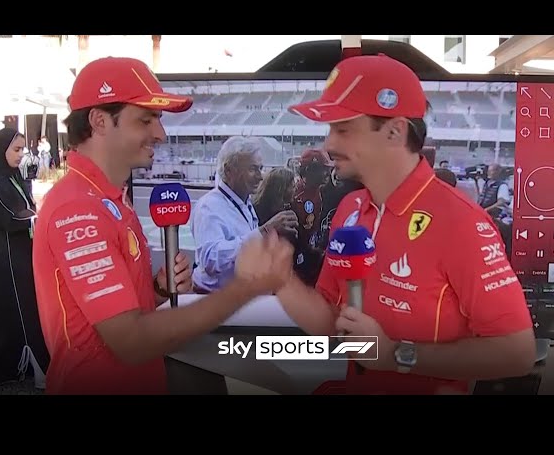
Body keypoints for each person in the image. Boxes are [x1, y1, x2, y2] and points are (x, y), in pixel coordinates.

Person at [273, 54, 536, 395]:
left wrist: (397, 354)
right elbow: (331, 324)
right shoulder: (351, 208)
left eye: (343, 128)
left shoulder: (461, 222)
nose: (329, 144)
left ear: (395, 131)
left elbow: (517, 353)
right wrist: (280, 280)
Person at [32, 57, 295, 395]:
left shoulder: (107, 199)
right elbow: (129, 341)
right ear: (99, 121)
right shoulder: (78, 209)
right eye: (146, 120)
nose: (160, 134)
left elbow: (118, 319)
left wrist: (155, 290)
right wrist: (245, 289)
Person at [0, 128, 49, 391]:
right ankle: (28, 366)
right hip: (2, 261)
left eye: (22, 150)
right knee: (18, 312)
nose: (21, 155)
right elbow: (9, 216)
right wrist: (38, 217)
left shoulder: (12, 178)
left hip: (19, 256)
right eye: (16, 150)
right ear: (1, 149)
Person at [192, 136, 298, 293]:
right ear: (229, 170)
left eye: (260, 168)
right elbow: (210, 260)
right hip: (217, 302)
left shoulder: (244, 202)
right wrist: (265, 231)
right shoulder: (209, 207)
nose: (260, 176)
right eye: (252, 169)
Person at [291, 149, 334, 286]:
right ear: (310, 170)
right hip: (299, 261)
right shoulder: (297, 195)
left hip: (311, 253)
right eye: (323, 169)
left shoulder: (318, 192)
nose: (327, 173)